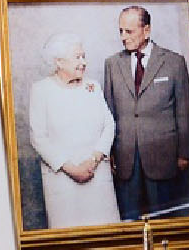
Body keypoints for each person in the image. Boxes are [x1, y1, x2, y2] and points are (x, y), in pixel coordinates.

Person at [103, 5, 189, 220]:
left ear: (147, 30)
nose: (123, 37)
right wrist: (110, 154)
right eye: (120, 31)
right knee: (128, 219)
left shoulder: (173, 62)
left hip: (163, 157)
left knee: (162, 218)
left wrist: (184, 153)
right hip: (125, 158)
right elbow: (109, 113)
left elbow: (184, 111)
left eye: (129, 31)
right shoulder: (112, 64)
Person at [30, 33, 122, 229]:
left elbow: (109, 125)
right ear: (59, 62)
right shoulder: (41, 90)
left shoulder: (93, 86)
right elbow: (38, 138)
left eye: (84, 56)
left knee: (106, 237)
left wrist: (93, 160)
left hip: (97, 175)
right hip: (63, 181)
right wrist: (72, 169)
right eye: (77, 57)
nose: (84, 62)